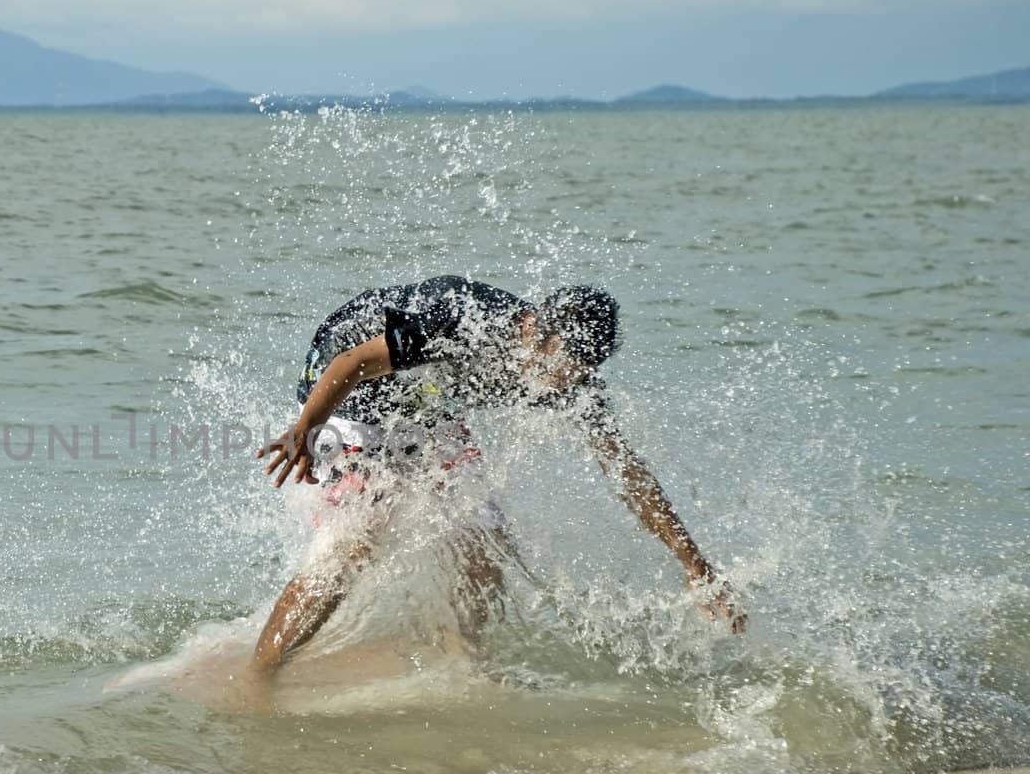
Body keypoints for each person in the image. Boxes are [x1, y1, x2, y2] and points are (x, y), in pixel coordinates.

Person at [251, 274, 743, 676]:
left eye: (585, 370)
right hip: (348, 384)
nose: (570, 382)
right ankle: (261, 677)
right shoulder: (465, 322)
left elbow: (627, 472)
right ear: (540, 334)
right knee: (354, 546)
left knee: (480, 542)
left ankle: (465, 665)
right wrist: (306, 430)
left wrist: (694, 565)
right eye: (567, 366)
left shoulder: (571, 377)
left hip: (426, 404)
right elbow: (354, 362)